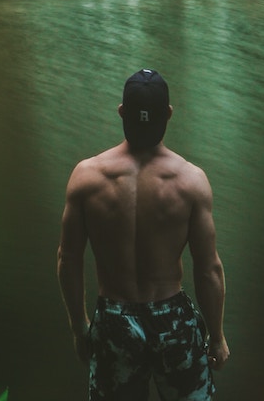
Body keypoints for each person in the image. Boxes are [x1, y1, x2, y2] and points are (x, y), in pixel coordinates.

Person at [57, 68, 229, 401]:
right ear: (168, 114)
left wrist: (80, 327)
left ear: (122, 111)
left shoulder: (86, 177)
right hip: (173, 322)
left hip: (114, 321)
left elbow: (68, 258)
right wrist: (218, 337)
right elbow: (208, 269)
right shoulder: (191, 181)